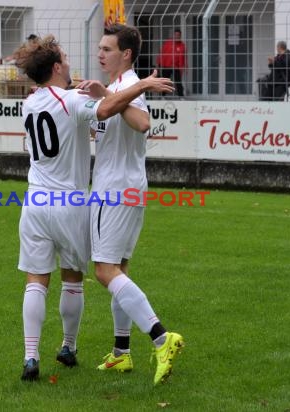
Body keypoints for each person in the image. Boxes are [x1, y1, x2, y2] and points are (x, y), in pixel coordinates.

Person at [13, 34, 174, 381]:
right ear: (56, 67)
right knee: (76, 279)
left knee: (36, 281)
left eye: (105, 49)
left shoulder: (30, 103)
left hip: (36, 199)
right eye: (66, 58)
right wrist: (142, 83)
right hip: (71, 201)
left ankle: (30, 357)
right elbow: (102, 110)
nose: (76, 61)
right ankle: (69, 346)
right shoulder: (72, 99)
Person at [90, 23, 184, 385]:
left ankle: (162, 338)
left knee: (103, 270)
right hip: (130, 187)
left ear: (126, 54)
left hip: (113, 190)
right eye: (99, 47)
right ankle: (121, 353)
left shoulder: (128, 88)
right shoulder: (115, 89)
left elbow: (143, 123)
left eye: (107, 48)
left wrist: (132, 90)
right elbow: (102, 128)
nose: (100, 53)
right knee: (120, 272)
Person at [157, 28, 187, 97]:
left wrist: (183, 67)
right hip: (166, 66)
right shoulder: (168, 43)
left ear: (180, 36)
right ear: (173, 35)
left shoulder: (182, 45)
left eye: (178, 35)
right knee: (165, 82)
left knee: (178, 82)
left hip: (176, 67)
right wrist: (158, 64)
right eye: (176, 35)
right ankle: (162, 96)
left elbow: (183, 57)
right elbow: (161, 53)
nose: (177, 36)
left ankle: (181, 96)